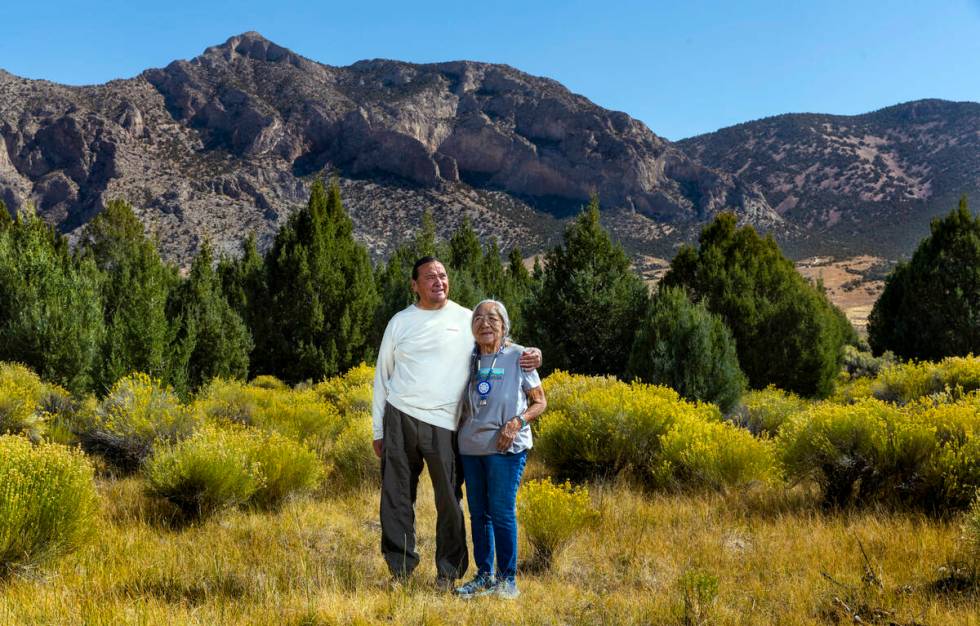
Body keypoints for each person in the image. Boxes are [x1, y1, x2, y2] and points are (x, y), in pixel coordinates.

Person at [372, 257, 541, 589]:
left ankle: (448, 573)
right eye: (430, 277)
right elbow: (383, 375)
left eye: (443, 275)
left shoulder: (467, 320)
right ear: (414, 284)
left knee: (449, 500)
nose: (438, 281)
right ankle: (400, 570)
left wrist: (534, 354)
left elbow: (499, 344)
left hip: (446, 424)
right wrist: (379, 429)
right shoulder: (400, 322)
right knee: (396, 497)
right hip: (400, 415)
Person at [454, 299, 546, 600]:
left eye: (492, 318)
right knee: (478, 513)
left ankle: (508, 580)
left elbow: (539, 401)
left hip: (507, 446)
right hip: (471, 447)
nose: (485, 324)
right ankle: (483, 575)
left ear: (504, 325)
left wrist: (516, 422)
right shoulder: (467, 359)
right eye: (478, 318)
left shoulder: (520, 356)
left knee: (502, 511)